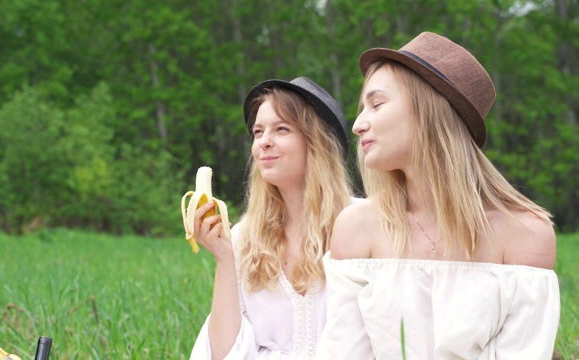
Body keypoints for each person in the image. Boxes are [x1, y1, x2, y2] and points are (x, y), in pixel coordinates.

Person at [317, 32, 560, 359]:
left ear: (429, 110)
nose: (359, 123)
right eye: (363, 108)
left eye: (376, 104)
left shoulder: (526, 235)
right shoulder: (356, 228)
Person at [189, 77, 355, 359]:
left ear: (317, 142)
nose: (264, 142)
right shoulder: (243, 238)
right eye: (258, 132)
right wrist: (224, 259)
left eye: (281, 129)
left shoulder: (359, 224)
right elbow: (223, 353)